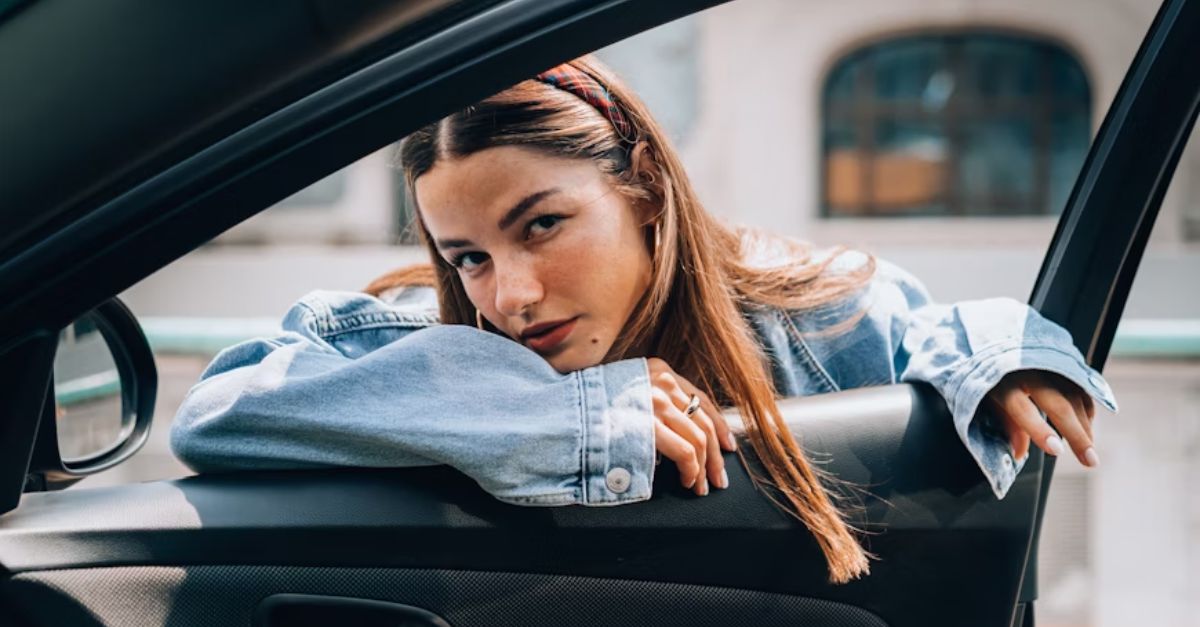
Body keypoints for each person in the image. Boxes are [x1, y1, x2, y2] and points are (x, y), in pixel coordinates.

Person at [170, 56, 1117, 584]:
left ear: (647, 191)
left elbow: (946, 329)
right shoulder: (428, 337)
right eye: (470, 256)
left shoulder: (816, 322)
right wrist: (563, 415)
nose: (512, 296)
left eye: (542, 225)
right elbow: (226, 405)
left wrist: (1005, 363)